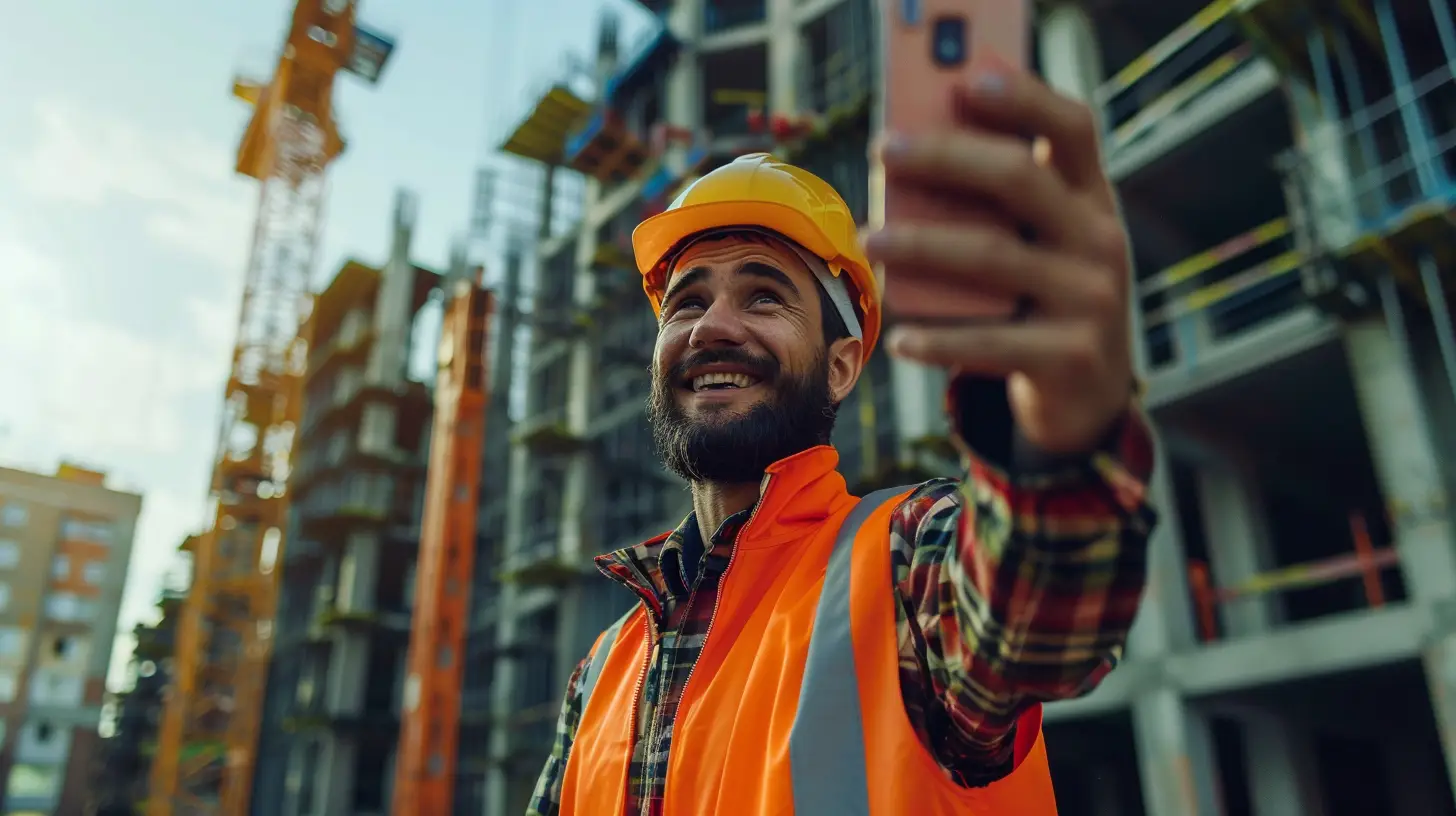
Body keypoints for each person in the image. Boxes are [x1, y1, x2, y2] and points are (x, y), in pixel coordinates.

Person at [527, 61, 1157, 816]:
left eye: (764, 295)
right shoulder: (602, 670)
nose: (713, 327)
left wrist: (1059, 448)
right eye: (686, 303)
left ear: (841, 366)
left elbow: (1034, 614)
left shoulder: (904, 561)